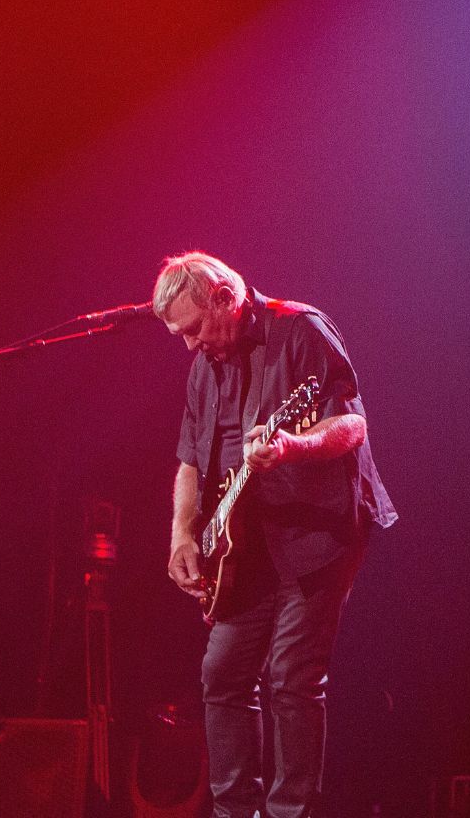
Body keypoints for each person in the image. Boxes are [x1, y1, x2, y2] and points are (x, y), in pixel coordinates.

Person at [154, 252, 398, 818]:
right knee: (223, 675)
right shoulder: (203, 367)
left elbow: (351, 424)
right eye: (179, 336)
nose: (189, 345)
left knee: (292, 677)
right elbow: (190, 459)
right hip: (247, 546)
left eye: (192, 330)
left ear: (223, 298)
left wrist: (292, 446)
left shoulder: (299, 330)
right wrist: (181, 536)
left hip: (318, 534)